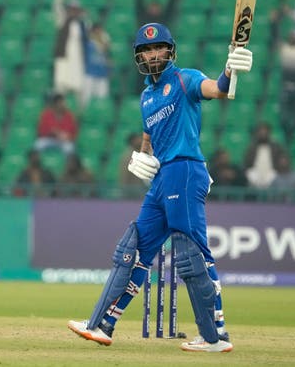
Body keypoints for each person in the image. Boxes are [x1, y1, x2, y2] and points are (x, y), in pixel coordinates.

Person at [67, 22, 254, 352]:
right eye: (147, 50)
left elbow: (218, 89)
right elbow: (149, 137)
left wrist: (230, 69)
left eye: (159, 48)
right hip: (163, 177)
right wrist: (142, 157)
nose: (154, 54)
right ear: (139, 56)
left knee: (191, 253)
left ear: (170, 51)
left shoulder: (186, 79)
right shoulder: (146, 96)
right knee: (133, 247)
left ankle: (216, 335)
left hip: (184, 170)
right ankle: (102, 324)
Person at [52, 0, 88, 111]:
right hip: (63, 58)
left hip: (77, 59)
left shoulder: (82, 24)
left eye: (76, 10)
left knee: (79, 86)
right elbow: (56, 5)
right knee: (60, 86)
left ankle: (80, 112)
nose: (73, 12)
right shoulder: (62, 21)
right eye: (71, 9)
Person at [243, 122, 288, 189]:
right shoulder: (252, 147)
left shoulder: (275, 147)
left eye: (264, 131)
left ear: (269, 132)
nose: (263, 133)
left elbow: (281, 159)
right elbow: (246, 162)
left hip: (271, 172)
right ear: (257, 133)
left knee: (273, 176)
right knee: (251, 175)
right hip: (255, 172)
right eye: (261, 131)